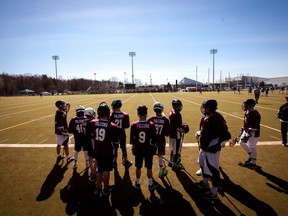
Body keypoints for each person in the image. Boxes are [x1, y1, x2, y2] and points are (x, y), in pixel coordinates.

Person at [195, 99, 231, 200]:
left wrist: (219, 142)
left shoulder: (216, 118)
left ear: (210, 108)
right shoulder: (207, 116)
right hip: (204, 147)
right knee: (202, 163)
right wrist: (200, 133)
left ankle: (214, 193)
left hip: (211, 149)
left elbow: (226, 134)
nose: (203, 109)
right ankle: (205, 183)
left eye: (205, 107)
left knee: (214, 170)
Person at [87, 102, 119, 196]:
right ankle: (105, 189)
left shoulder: (92, 123)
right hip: (107, 151)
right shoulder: (112, 126)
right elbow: (115, 141)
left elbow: (91, 136)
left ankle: (97, 188)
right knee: (106, 170)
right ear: (108, 113)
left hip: (97, 150)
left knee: (99, 170)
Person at [130, 105, 158, 191]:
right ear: (146, 113)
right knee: (149, 167)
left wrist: (133, 148)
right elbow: (154, 140)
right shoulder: (151, 125)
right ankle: (150, 183)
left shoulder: (134, 125)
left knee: (138, 167)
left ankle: (138, 183)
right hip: (148, 150)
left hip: (138, 149)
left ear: (138, 113)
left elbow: (133, 140)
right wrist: (154, 147)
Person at [148, 102, 170, 178]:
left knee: (150, 156)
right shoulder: (166, 120)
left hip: (152, 141)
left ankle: (149, 172)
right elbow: (167, 134)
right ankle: (161, 171)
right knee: (161, 156)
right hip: (161, 140)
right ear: (162, 109)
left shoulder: (151, 119)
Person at [110, 99, 132, 168]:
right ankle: (125, 160)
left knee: (115, 148)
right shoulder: (125, 115)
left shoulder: (111, 115)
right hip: (122, 134)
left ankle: (114, 161)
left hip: (114, 135)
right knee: (123, 148)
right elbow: (127, 126)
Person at [239, 99, 261, 168]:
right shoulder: (247, 111)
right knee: (241, 142)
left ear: (251, 105)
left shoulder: (255, 114)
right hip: (247, 131)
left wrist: (248, 134)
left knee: (252, 147)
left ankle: (253, 163)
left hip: (253, 133)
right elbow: (246, 122)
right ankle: (251, 156)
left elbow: (254, 126)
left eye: (246, 105)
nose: (244, 106)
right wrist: (243, 128)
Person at [68, 105, 90, 170]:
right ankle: (87, 163)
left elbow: (70, 131)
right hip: (85, 138)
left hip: (77, 138)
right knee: (86, 150)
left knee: (76, 150)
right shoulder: (86, 119)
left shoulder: (73, 119)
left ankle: (75, 163)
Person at [168, 99, 185, 169]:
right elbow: (179, 128)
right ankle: (174, 164)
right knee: (176, 150)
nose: (179, 107)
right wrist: (184, 130)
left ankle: (171, 161)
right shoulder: (177, 114)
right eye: (178, 106)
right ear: (174, 106)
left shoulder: (171, 111)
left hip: (171, 134)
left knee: (172, 149)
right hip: (176, 135)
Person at [84, 107, 97, 181]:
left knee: (90, 156)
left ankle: (92, 170)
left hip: (87, 141)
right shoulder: (92, 121)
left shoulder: (84, 121)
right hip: (93, 141)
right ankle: (94, 172)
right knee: (97, 156)